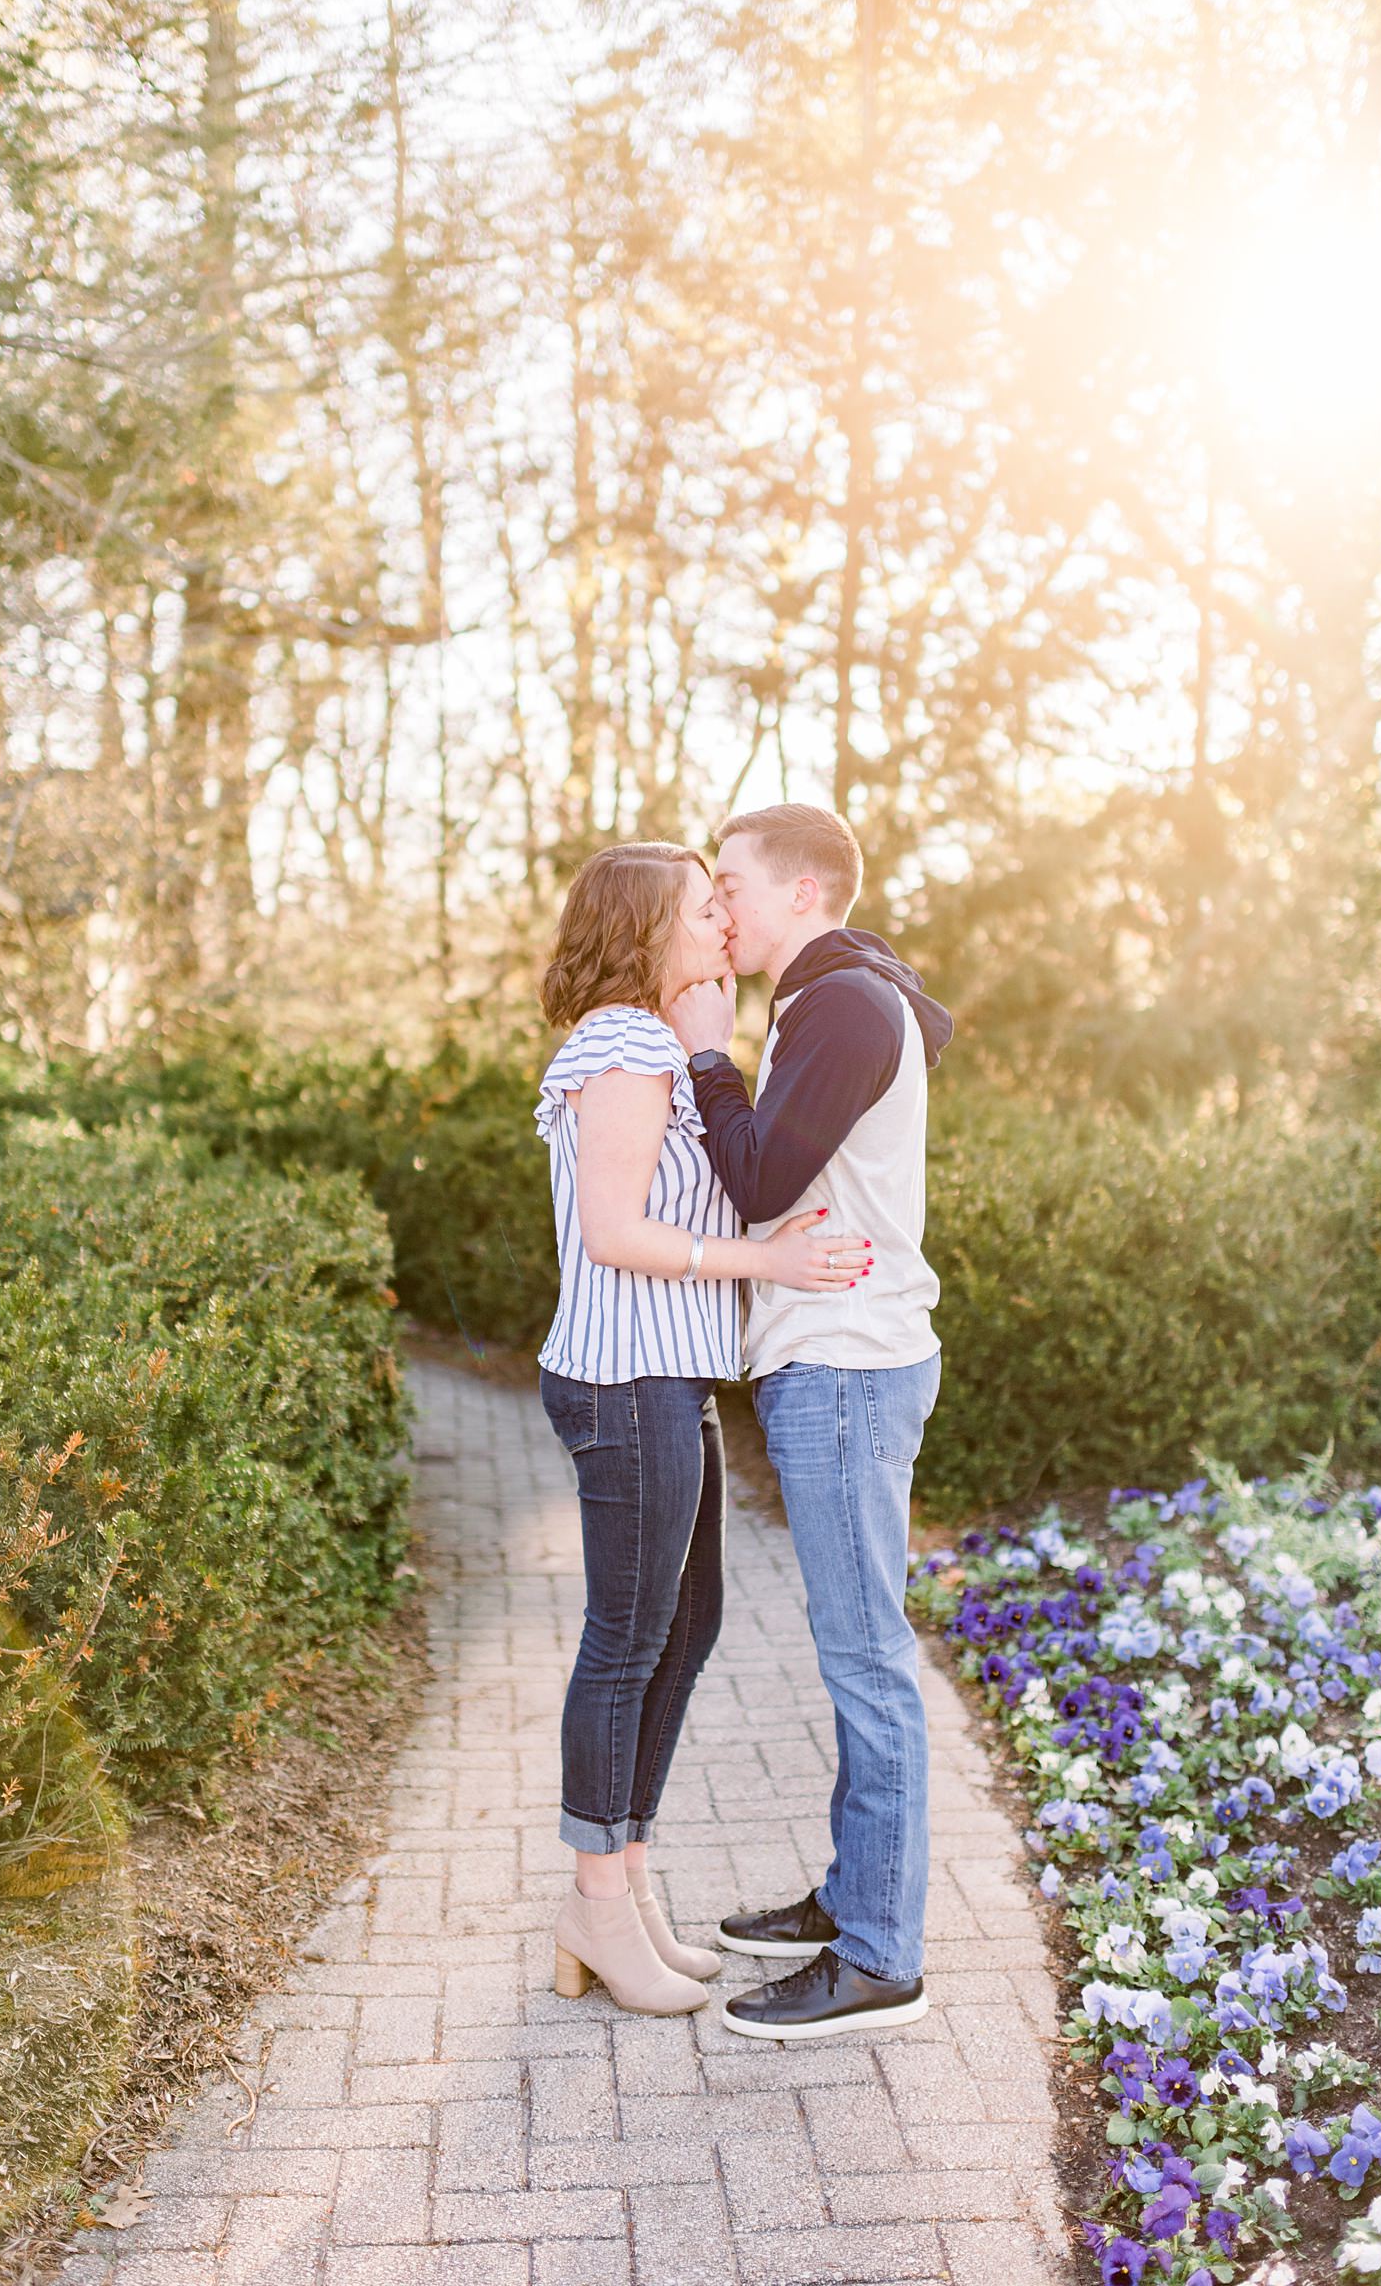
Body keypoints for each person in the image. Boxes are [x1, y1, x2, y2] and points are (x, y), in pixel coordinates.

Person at [536, 840, 873, 2017]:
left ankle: (622, 1888)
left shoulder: (667, 1047)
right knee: (627, 1641)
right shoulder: (625, 1043)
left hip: (669, 1377)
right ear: (644, 932)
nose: (721, 924)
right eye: (699, 908)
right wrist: (767, 1260)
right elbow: (618, 1229)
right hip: (625, 1382)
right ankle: (595, 1898)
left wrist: (714, 1050)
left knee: (690, 1623)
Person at [668, 803, 953, 2040]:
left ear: (799, 891)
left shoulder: (838, 1004)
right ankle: (853, 1899)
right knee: (857, 1654)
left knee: (865, 1659)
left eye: (730, 883)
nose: (718, 905)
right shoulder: (833, 997)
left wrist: (702, 1054)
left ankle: (882, 1957)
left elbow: (763, 1178)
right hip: (838, 1360)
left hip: (843, 1365)